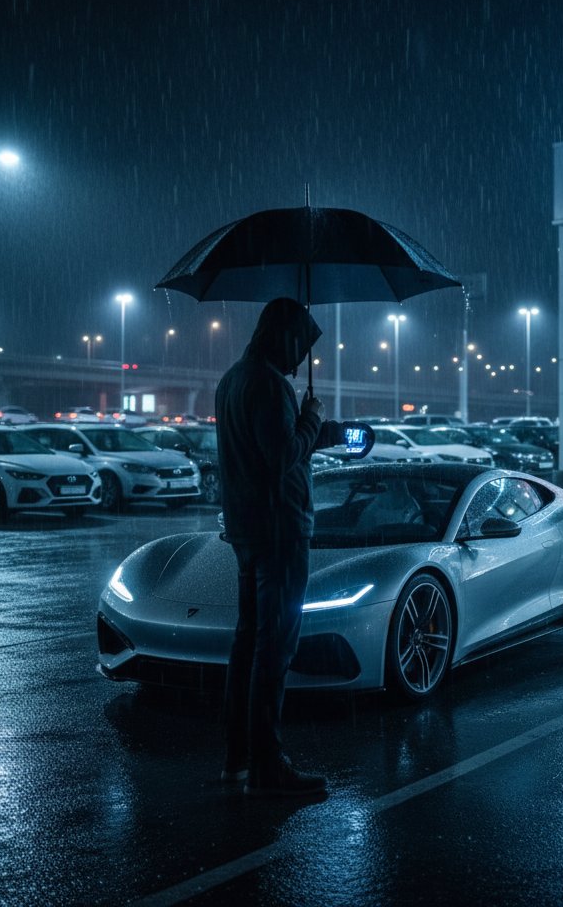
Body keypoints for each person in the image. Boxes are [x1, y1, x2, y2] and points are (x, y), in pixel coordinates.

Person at [215, 297, 343, 798]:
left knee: (247, 644)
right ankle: (269, 765)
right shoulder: (270, 385)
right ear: (285, 337)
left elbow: (259, 451)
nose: (301, 360)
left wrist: (319, 433)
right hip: (280, 532)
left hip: (247, 530)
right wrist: (311, 417)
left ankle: (238, 758)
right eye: (302, 346)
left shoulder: (231, 381)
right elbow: (281, 456)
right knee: (276, 647)